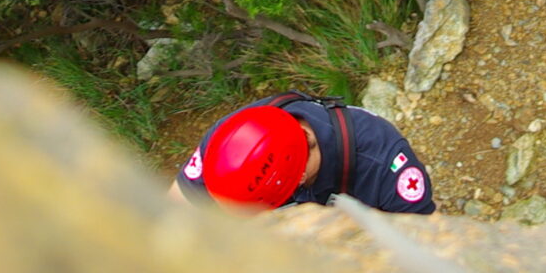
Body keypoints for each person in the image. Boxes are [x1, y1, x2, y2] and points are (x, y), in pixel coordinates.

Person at [175, 92, 437, 214]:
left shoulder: (383, 164)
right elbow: (176, 204)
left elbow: (429, 242)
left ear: (296, 181)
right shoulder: (229, 139)